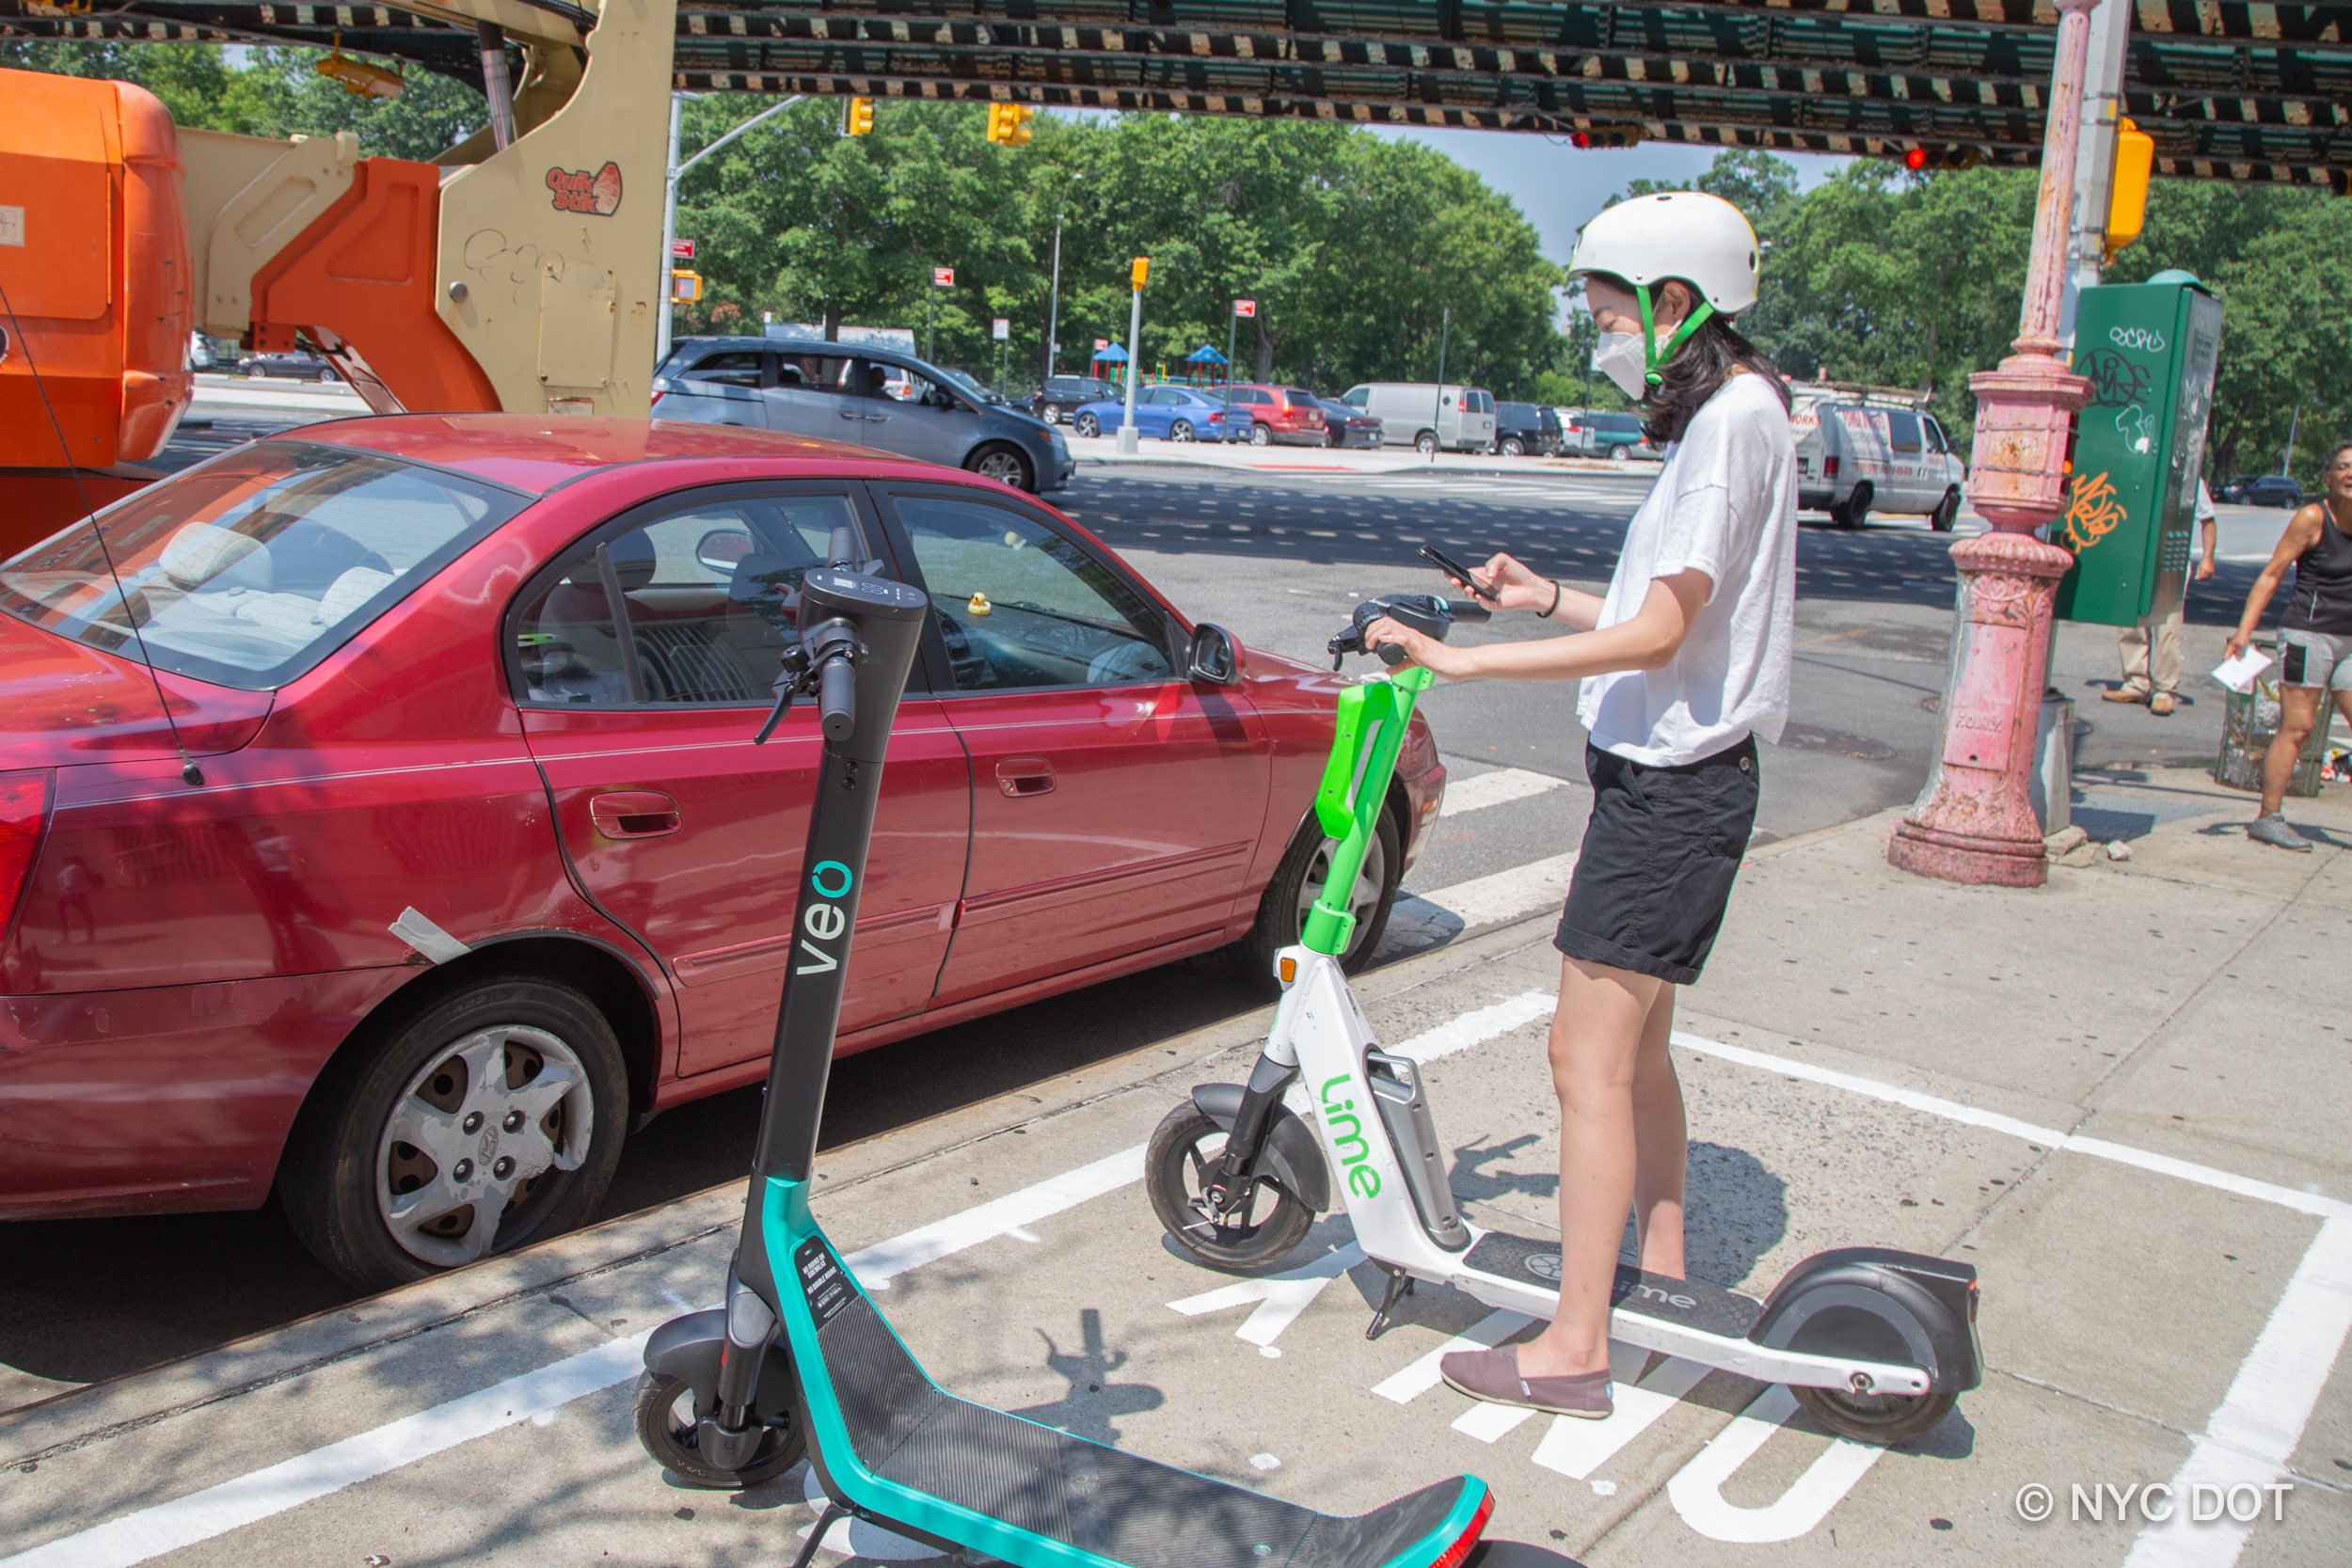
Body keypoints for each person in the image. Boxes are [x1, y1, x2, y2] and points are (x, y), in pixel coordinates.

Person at [1365, 191, 1796, 1419]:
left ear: (1676, 303)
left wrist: (1456, 662)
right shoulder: (1746, 413)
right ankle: (1655, 1276)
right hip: (1674, 780)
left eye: (1610, 309)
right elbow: (1660, 624)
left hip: (1673, 789)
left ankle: (1574, 1344)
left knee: (1584, 1060)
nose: (1602, 333)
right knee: (1638, 1054)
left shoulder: (1727, 429)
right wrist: (1540, 595)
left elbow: (1663, 632)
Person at [2227, 439, 2352, 850]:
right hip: (2308, 635)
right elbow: (2271, 575)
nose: (2351, 474)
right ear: (2327, 476)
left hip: (2349, 641)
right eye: (2343, 467)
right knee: (2298, 727)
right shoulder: (2313, 518)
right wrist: (2244, 633)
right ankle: (2268, 817)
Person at [2105, 478, 2217, 717]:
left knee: (2167, 624)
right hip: (2135, 554)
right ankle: (2136, 682)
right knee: (2130, 622)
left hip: (2170, 556)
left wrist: (2208, 558)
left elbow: (2207, 517)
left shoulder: (2186, 477)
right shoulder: (2141, 468)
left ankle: (2164, 690)